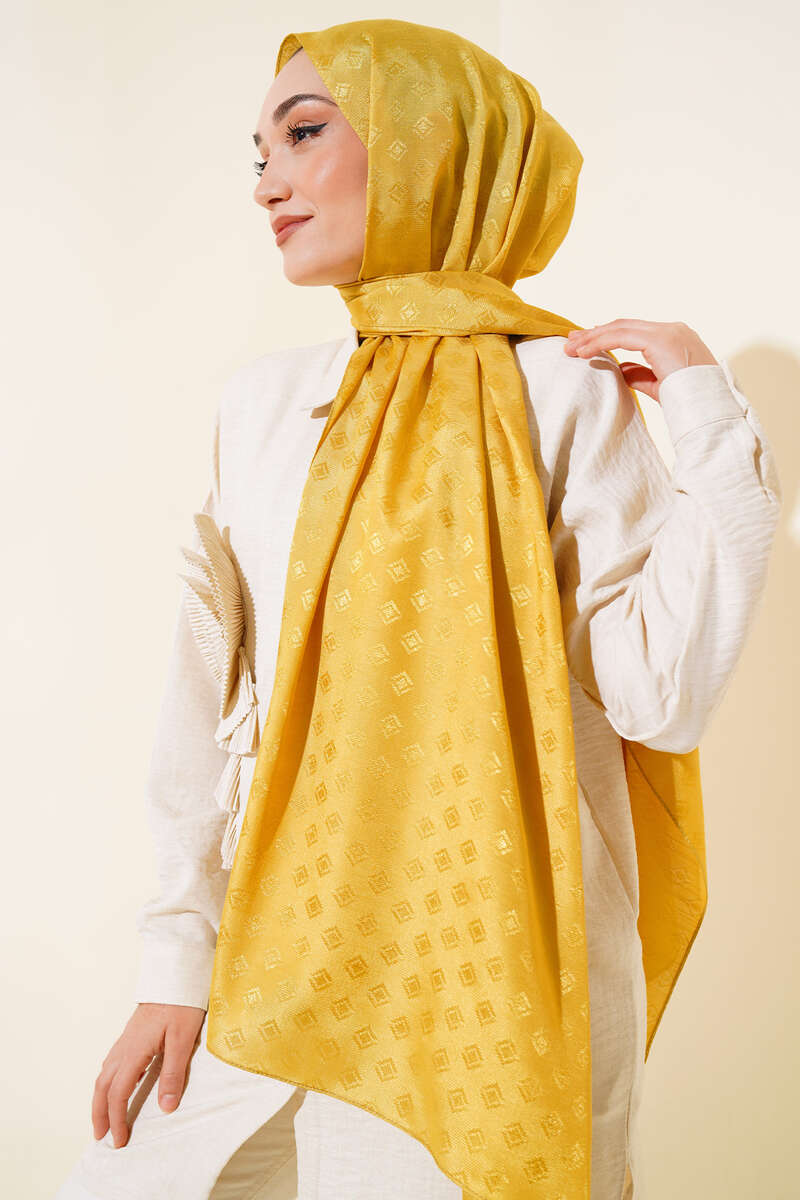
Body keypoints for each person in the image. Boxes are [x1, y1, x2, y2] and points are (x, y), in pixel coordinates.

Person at [54, 19, 782, 1200]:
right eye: (257, 154)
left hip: (489, 969)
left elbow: (662, 695)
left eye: (303, 134)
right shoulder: (262, 405)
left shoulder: (563, 392)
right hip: (273, 945)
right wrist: (174, 963)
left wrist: (703, 414)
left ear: (431, 146)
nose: (267, 182)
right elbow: (206, 695)